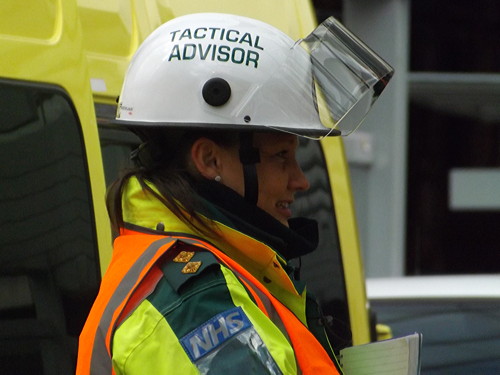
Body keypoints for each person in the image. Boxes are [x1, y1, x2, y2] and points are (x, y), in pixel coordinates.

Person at [76, 12, 393, 375]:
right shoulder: (197, 305)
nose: (301, 180)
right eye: (281, 156)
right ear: (210, 159)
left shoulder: (215, 275)